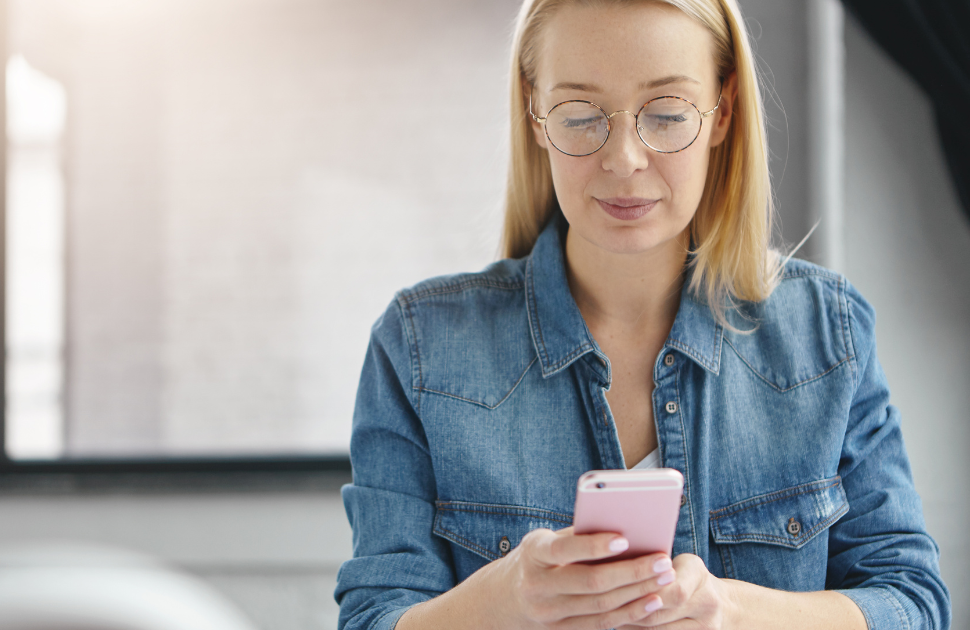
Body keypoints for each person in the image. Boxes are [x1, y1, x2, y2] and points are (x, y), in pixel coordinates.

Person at [333, 0, 951, 629]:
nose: (625, 159)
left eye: (665, 114)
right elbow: (373, 617)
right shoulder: (419, 347)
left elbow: (913, 603)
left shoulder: (826, 333)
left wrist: (734, 612)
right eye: (580, 115)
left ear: (723, 111)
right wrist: (503, 603)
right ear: (535, 113)